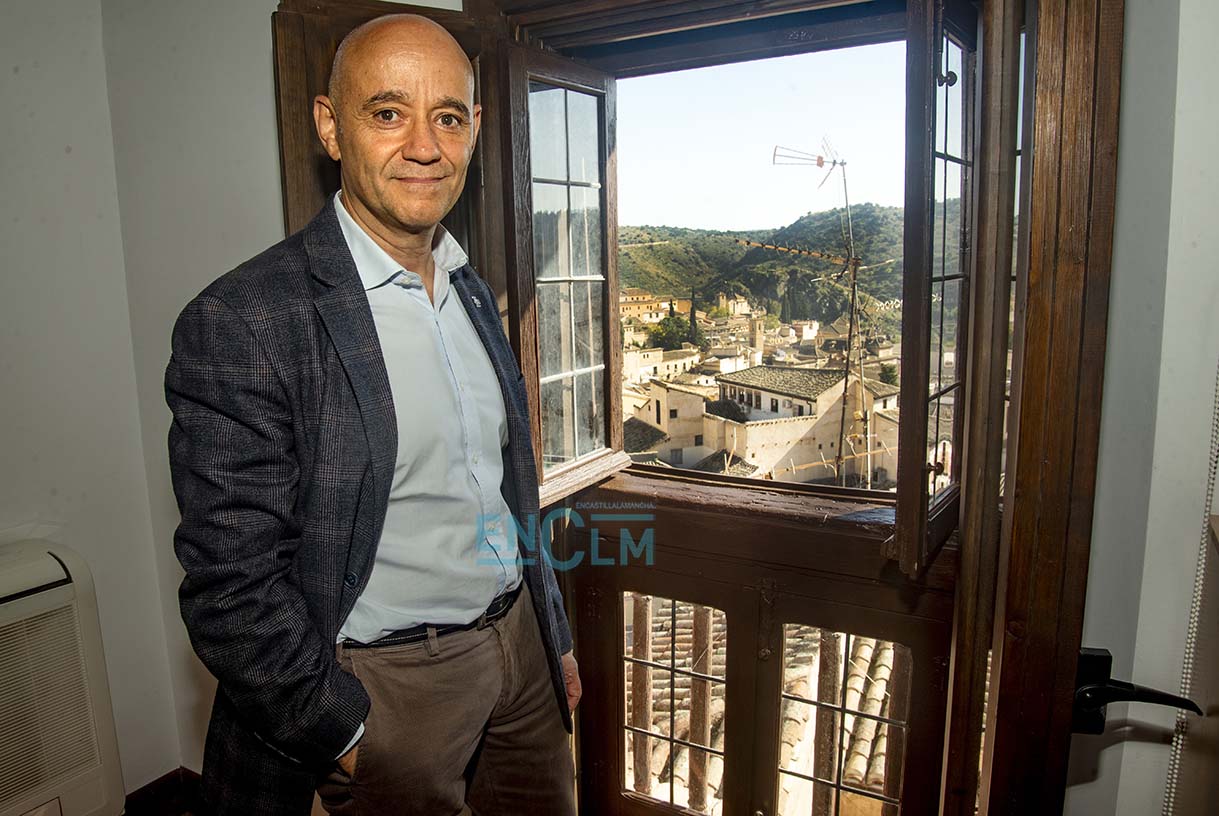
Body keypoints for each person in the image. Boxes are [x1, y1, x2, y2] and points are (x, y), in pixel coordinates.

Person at [165, 14, 580, 816]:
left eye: (448, 116)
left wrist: (549, 635)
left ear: (474, 130)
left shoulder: (471, 290)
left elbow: (504, 492)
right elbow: (230, 584)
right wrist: (347, 737)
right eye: (387, 112)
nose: (423, 145)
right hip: (391, 685)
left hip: (520, 654)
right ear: (329, 126)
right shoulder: (246, 319)